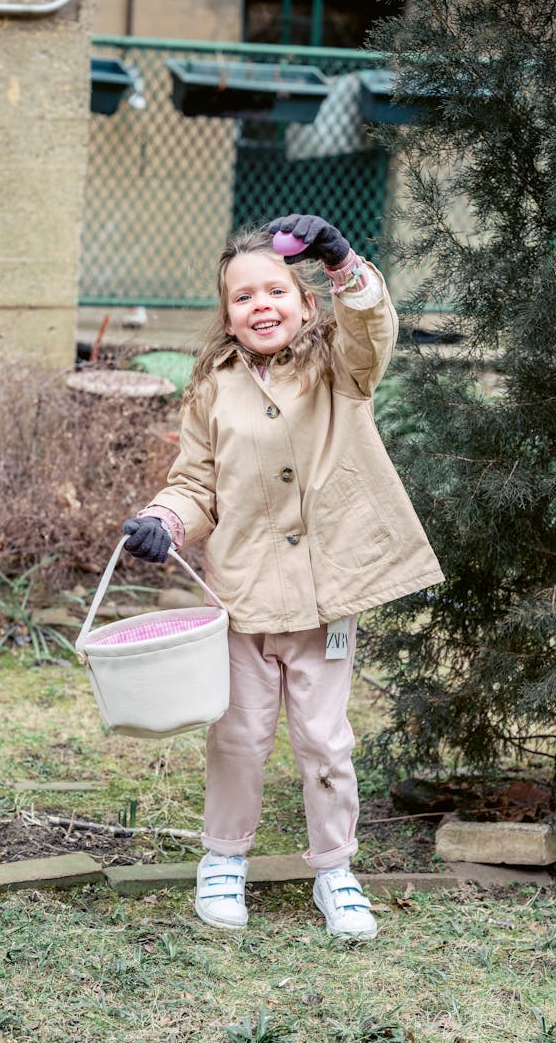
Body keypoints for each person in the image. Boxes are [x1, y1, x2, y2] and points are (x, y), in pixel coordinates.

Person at [122, 213, 444, 939]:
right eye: (242, 296)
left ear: (302, 302)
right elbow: (194, 483)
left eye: (275, 290)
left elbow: (374, 327)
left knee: (325, 741)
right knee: (236, 735)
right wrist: (163, 520)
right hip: (240, 596)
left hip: (326, 598)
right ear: (227, 315)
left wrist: (343, 263)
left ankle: (335, 867)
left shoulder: (340, 363)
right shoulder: (213, 387)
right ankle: (224, 859)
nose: (260, 304)